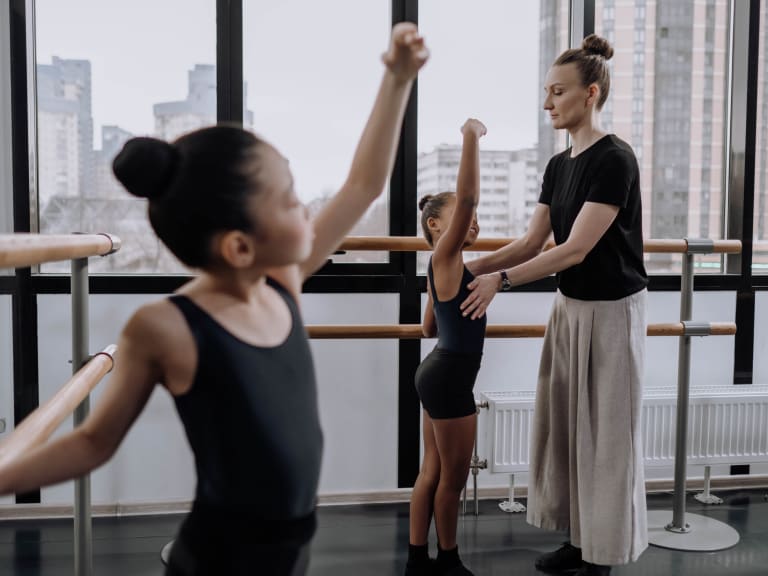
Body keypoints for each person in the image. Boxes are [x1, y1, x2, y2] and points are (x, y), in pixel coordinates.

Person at [0, 23, 429, 576]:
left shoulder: (282, 282)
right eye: (292, 200)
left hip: (292, 547)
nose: (309, 209)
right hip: (218, 559)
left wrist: (396, 80)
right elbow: (91, 442)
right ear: (240, 245)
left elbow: (363, 185)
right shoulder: (166, 327)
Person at [458, 35, 648, 576]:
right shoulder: (558, 165)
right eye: (546, 91)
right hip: (570, 307)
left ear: (590, 94)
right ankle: (579, 538)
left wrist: (504, 283)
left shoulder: (615, 160)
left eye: (558, 92)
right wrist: (469, 268)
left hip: (612, 311)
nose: (548, 103)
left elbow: (576, 248)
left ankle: (604, 554)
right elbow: (529, 242)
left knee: (607, 436)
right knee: (566, 427)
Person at [406, 118, 487, 576]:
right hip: (451, 377)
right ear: (438, 225)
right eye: (462, 217)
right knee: (453, 479)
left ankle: (418, 561)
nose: (472, 221)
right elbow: (470, 195)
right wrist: (471, 136)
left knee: (431, 472)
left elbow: (426, 329)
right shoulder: (445, 256)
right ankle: (449, 562)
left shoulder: (446, 269)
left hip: (435, 372)